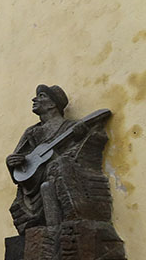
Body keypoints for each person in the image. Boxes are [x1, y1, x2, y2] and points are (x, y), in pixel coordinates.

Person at [6, 84, 93, 235]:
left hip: (56, 178)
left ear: (53, 104)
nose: (35, 99)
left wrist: (82, 137)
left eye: (42, 96)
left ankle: (55, 234)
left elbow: (79, 157)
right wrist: (11, 162)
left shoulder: (70, 127)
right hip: (33, 183)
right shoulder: (31, 132)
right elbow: (20, 164)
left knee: (48, 186)